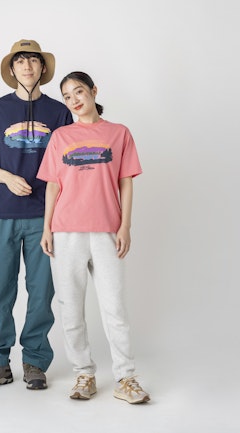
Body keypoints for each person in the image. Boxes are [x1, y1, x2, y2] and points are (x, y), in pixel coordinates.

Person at [37, 71, 150, 404]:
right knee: (70, 308)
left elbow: (126, 181)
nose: (74, 100)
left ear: (93, 91)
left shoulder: (119, 133)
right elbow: (53, 185)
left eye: (78, 91)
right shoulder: (60, 136)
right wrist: (46, 228)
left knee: (114, 308)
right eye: (67, 96)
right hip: (66, 231)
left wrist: (125, 226)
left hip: (106, 230)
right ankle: (83, 374)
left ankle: (125, 378)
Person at [0, 39, 73, 391]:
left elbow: (67, 166)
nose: (27, 66)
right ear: (12, 69)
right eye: (21, 61)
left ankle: (34, 362)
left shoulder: (59, 113)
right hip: (2, 213)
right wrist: (7, 178)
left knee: (41, 292)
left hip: (46, 216)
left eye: (34, 61)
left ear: (43, 68)